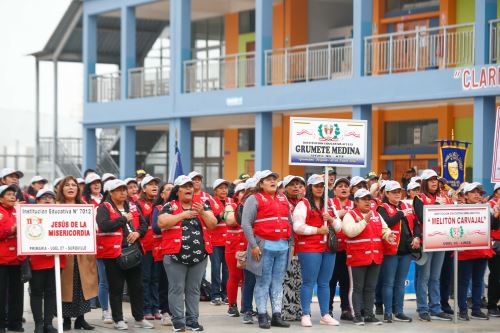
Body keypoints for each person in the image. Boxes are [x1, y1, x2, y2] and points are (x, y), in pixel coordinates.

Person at [158, 175, 217, 332]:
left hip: (199, 256)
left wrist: (202, 213)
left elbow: (213, 224)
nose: (190, 188)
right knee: (176, 288)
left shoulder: (201, 205)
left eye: (191, 186)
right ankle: (178, 321)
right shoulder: (169, 206)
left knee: (194, 289)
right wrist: (183, 215)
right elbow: (162, 222)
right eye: (186, 186)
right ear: (178, 191)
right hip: (175, 256)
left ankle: (192, 320)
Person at [96, 179, 153, 330]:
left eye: (124, 189)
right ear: (111, 192)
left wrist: (137, 233)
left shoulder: (132, 205)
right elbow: (104, 225)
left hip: (133, 252)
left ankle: (139, 318)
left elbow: (143, 224)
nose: (123, 192)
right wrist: (123, 219)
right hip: (113, 254)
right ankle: (118, 319)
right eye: (119, 190)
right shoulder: (104, 207)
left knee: (137, 287)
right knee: (116, 288)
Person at [242, 170, 292, 329]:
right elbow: (246, 224)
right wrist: (254, 245)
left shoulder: (283, 198)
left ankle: (277, 315)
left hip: (282, 246)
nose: (272, 181)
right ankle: (262, 314)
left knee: (278, 282)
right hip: (264, 246)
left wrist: (291, 244)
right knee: (263, 282)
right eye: (268, 179)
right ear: (260, 183)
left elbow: (289, 222)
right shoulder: (253, 199)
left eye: (274, 179)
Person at [292, 174, 341, 327]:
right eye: (316, 185)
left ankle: (325, 315)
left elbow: (339, 228)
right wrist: (317, 230)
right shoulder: (303, 204)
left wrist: (332, 219)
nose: (319, 188)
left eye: (322, 186)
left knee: (325, 282)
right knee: (308, 282)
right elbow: (297, 227)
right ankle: (305, 314)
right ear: (310, 187)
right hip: (309, 248)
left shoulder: (330, 205)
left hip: (328, 248)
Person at [342, 188, 396, 326]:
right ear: (356, 201)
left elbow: (384, 229)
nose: (368, 202)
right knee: (357, 288)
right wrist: (364, 221)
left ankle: (369, 314)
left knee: (370, 287)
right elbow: (349, 231)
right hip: (357, 258)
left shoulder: (376, 215)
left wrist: (388, 235)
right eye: (364, 199)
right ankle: (357, 315)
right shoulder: (350, 215)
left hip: (375, 257)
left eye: (369, 199)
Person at [58, 176, 98, 331]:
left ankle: (81, 319)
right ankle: (65, 319)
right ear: (61, 189)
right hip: (64, 254)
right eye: (67, 185)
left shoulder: (86, 207)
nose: (70, 187)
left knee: (83, 285)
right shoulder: (56, 207)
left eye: (73, 185)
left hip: (82, 253)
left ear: (78, 189)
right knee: (65, 286)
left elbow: (94, 228)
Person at [412, 169, 452, 322]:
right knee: (424, 277)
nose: (434, 182)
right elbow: (422, 217)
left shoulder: (445, 198)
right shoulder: (419, 198)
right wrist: (436, 204)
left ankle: (435, 308)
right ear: (424, 183)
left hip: (441, 241)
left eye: (436, 179)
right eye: (430, 180)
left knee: (435, 277)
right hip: (426, 242)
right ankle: (423, 309)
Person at [377, 181, 419, 323]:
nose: (397, 194)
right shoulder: (382, 208)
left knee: (400, 283)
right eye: (393, 192)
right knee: (389, 283)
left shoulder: (406, 205)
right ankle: (388, 312)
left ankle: (399, 311)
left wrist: (417, 237)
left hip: (406, 250)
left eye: (398, 191)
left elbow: (416, 223)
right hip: (391, 250)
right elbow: (387, 223)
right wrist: (400, 213)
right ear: (387, 194)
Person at [457, 182, 494, 320]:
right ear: (465, 195)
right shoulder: (457, 209)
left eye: (479, 193)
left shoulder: (486, 208)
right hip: (464, 251)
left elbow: (494, 225)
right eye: (474, 192)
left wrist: (495, 213)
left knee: (478, 281)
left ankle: (477, 309)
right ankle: (462, 309)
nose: (477, 195)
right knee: (464, 281)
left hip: (481, 250)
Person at [30, 189, 64, 333]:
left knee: (52, 292)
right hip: (37, 259)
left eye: (51, 197)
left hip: (56, 260)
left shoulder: (62, 216)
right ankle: (38, 324)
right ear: (37, 201)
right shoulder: (30, 216)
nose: (48, 199)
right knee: (37, 292)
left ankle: (48, 324)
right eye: (43, 197)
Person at [0, 184, 25, 333]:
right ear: (1, 198)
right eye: (8, 194)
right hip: (1, 260)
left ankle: (15, 322)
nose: (12, 197)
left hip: (17, 259)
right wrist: (11, 230)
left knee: (17, 293)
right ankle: (1, 323)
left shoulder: (18, 211)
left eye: (13, 194)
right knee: (1, 293)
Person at [281, 175, 306, 321]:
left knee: (299, 279)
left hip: (302, 245)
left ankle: (298, 309)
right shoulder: (282, 202)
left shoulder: (304, 202)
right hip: (286, 244)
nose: (296, 187)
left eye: (298, 184)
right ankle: (285, 311)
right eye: (292, 184)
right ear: (285, 187)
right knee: (287, 279)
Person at [328, 177, 354, 320]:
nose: (344, 188)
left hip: (349, 248)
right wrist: (338, 213)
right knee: (330, 281)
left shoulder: (354, 203)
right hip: (332, 248)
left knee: (346, 281)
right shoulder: (329, 202)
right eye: (340, 186)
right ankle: (328, 309)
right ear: (334, 189)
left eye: (346, 186)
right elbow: (324, 217)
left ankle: (346, 309)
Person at [136, 175, 161, 320]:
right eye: (150, 184)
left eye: (156, 184)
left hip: (158, 247)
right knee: (145, 278)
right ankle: (146, 309)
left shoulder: (158, 204)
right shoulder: (138, 204)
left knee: (155, 279)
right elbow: (140, 224)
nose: (154, 187)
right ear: (144, 189)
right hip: (145, 247)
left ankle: (155, 307)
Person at [223, 182, 247, 317]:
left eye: (247, 192)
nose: (245, 194)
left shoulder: (252, 205)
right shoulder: (230, 206)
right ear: (237, 195)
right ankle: (232, 305)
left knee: (247, 278)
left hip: (248, 245)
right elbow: (230, 221)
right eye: (242, 192)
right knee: (234, 276)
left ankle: (246, 306)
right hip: (233, 246)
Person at [151, 183, 174, 326]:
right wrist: (172, 222)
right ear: (162, 194)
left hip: (179, 250)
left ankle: (175, 311)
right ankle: (165, 311)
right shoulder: (158, 209)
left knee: (176, 284)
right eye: (168, 189)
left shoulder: (178, 207)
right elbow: (155, 228)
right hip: (163, 250)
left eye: (173, 189)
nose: (171, 191)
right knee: (164, 283)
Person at [237, 177, 258, 324]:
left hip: (263, 244)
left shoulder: (265, 201)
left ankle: (259, 309)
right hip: (249, 245)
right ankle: (247, 309)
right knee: (249, 280)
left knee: (262, 281)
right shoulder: (243, 205)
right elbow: (243, 223)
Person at [208, 179, 232, 306]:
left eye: (225, 188)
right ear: (215, 190)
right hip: (215, 241)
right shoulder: (210, 202)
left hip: (229, 241)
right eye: (220, 188)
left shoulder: (231, 201)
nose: (224, 190)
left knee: (227, 270)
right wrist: (222, 214)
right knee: (216, 269)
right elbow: (211, 222)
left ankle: (225, 294)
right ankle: (215, 295)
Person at [488, 183, 500, 317]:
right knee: (495, 276)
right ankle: (492, 304)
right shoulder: (490, 205)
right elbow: (493, 225)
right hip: (496, 244)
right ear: (496, 192)